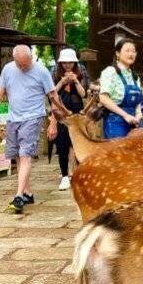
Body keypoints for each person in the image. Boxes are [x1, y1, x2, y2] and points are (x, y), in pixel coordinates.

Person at [0, 44, 69, 214]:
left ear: (31, 57)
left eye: (27, 63)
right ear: (14, 59)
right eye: (21, 64)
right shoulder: (8, 70)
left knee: (25, 155)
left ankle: (18, 197)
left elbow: (53, 95)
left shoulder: (41, 71)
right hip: (13, 118)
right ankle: (27, 192)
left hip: (33, 117)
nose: (24, 67)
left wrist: (60, 113)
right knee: (17, 156)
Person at [48, 48, 89, 191]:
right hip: (61, 111)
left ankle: (76, 174)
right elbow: (51, 93)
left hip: (77, 111)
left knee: (77, 144)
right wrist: (62, 81)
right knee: (63, 143)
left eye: (70, 62)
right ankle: (64, 175)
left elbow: (83, 94)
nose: (67, 65)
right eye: (64, 62)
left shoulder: (81, 71)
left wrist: (76, 81)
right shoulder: (55, 72)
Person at [98, 38, 143, 139]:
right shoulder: (110, 72)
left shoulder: (135, 76)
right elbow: (104, 98)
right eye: (127, 50)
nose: (131, 54)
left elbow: (138, 102)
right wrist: (125, 115)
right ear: (117, 53)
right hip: (115, 121)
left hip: (134, 122)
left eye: (133, 51)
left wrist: (139, 114)